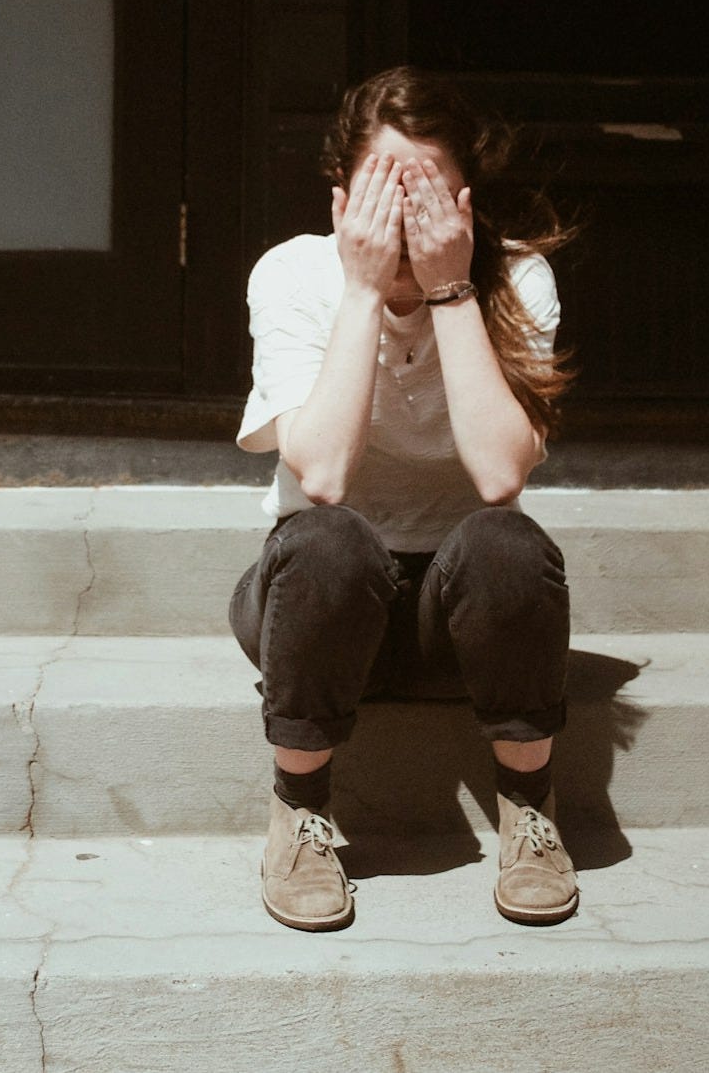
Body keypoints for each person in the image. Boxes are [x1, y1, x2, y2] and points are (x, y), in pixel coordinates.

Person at [229, 66, 576, 932]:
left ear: (464, 200)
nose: (405, 216)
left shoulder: (517, 281)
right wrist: (360, 289)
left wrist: (452, 287)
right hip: (317, 595)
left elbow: (501, 476)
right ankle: (299, 814)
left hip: (452, 614)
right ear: (342, 201)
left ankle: (530, 808)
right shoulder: (293, 276)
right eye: (386, 190)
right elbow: (324, 475)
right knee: (328, 536)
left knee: (507, 538)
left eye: (425, 192)